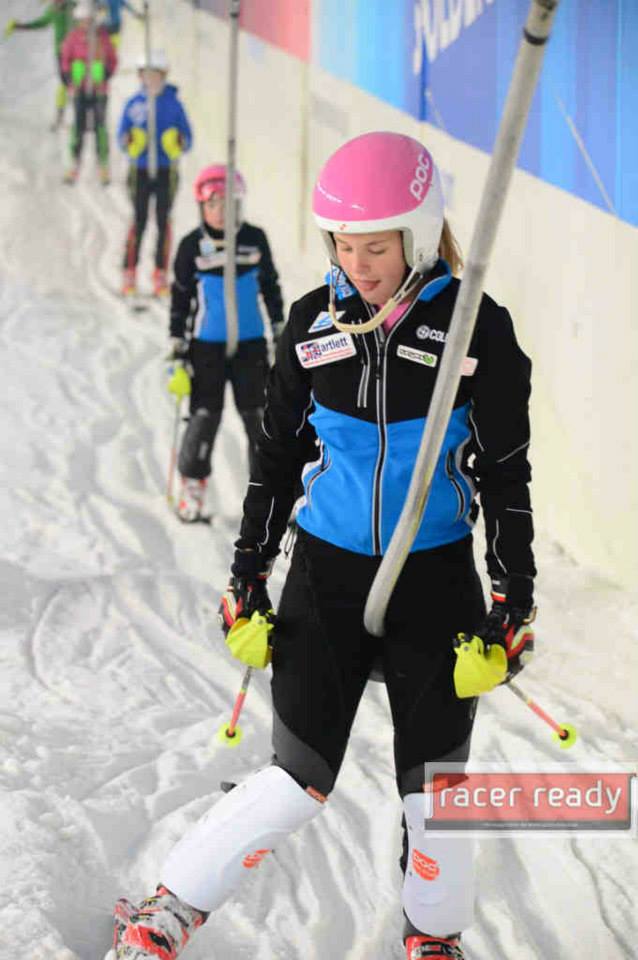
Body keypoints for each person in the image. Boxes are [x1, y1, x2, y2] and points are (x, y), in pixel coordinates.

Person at [108, 132, 536, 960]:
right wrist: (247, 577)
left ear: (419, 236)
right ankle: (170, 907)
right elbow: (275, 460)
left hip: (433, 579)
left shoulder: (476, 328)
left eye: (376, 246)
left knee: (436, 791)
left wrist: (511, 603)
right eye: (343, 244)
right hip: (327, 573)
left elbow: (506, 475)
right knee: (294, 777)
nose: (357, 263)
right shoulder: (312, 324)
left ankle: (433, 936)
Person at [166, 164, 284, 522]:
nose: (221, 212)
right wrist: (177, 344)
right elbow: (181, 297)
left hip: (251, 345)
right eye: (213, 204)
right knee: (204, 416)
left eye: (229, 203)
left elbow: (270, 286)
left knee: (259, 418)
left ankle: (269, 493)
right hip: (207, 347)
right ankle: (193, 486)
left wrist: (278, 328)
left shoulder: (255, 239)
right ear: (202, 206)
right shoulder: (191, 246)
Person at [118, 50, 193, 298]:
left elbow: (188, 138)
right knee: (138, 220)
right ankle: (129, 271)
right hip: (139, 170)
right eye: (146, 75)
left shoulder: (174, 104)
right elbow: (121, 137)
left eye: (155, 75)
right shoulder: (133, 104)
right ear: (140, 76)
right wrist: (129, 141)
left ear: (163, 75)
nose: (150, 80)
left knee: (163, 221)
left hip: (165, 171)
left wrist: (177, 141)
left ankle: (160, 273)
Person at [60, 1, 118, 185]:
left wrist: (106, 73)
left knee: (100, 126)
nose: (87, 23)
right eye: (84, 20)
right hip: (80, 89)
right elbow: (65, 59)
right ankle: (74, 163)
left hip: (99, 89)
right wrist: (69, 78)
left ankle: (103, 165)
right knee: (78, 126)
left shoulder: (102, 37)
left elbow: (112, 59)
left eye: (90, 20)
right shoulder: (73, 38)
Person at [4, 0, 75, 130]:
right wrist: (20, 26)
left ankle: (76, 117)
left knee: (75, 83)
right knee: (65, 84)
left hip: (78, 52)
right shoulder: (53, 11)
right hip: (61, 53)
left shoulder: (72, 6)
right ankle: (60, 117)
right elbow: (40, 23)